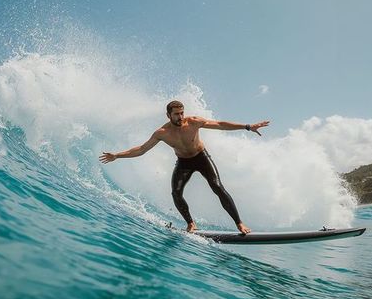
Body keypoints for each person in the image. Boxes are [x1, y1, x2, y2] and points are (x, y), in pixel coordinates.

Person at [99, 100, 269, 234]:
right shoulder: (161, 133)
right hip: (183, 163)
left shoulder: (194, 122)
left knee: (217, 186)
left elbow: (220, 124)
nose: (180, 117)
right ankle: (191, 224)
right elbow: (142, 149)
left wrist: (247, 126)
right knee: (176, 193)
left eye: (182, 113)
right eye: (176, 114)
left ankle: (239, 223)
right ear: (168, 115)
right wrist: (117, 155)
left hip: (202, 158)